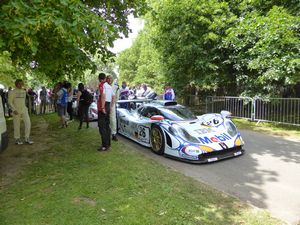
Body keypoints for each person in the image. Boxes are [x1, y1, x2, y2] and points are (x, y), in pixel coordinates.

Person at [8, 79, 33, 145]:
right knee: (17, 124)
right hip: (16, 110)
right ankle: (17, 138)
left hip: (24, 110)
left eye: (22, 83)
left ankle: (27, 137)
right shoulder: (12, 92)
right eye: (19, 83)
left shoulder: (24, 91)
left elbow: (24, 101)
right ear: (16, 84)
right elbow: (10, 102)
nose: (21, 85)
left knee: (28, 123)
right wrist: (14, 109)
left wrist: (26, 108)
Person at [97, 72, 114, 151]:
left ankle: (104, 145)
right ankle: (108, 144)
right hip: (107, 105)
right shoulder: (109, 86)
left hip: (102, 107)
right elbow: (113, 97)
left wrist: (103, 107)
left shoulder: (102, 85)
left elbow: (103, 96)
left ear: (100, 79)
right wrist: (110, 107)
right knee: (107, 126)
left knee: (102, 127)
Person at [107, 76, 119, 141]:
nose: (109, 80)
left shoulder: (115, 86)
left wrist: (113, 104)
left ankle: (114, 134)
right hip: (105, 104)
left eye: (110, 79)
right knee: (106, 119)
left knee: (113, 119)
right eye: (108, 79)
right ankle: (107, 133)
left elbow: (117, 96)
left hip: (112, 104)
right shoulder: (104, 86)